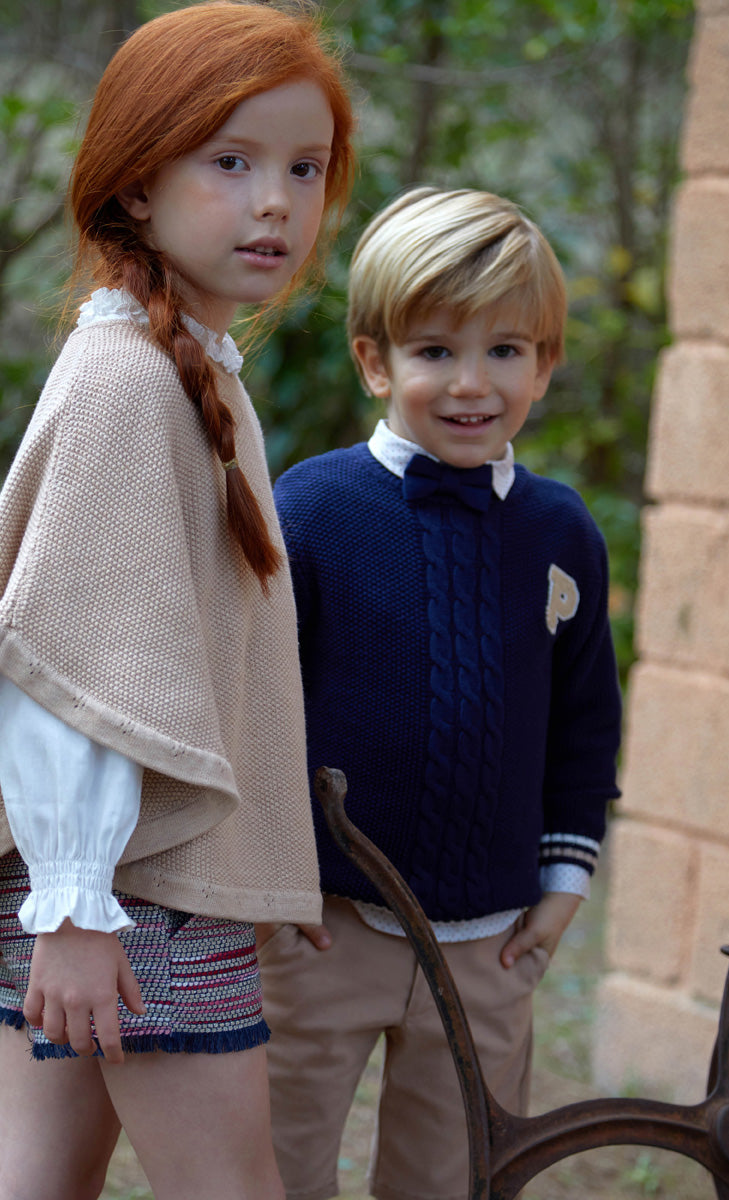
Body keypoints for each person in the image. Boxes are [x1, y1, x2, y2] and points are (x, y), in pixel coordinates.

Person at [0, 4, 355, 1198]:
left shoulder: (182, 373)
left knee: (39, 1178)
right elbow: (56, 669)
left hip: (108, 884)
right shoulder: (131, 383)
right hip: (127, 892)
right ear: (136, 184)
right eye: (229, 162)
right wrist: (76, 910)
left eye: (305, 168)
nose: (275, 203)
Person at [260, 186, 623, 1200]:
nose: (471, 383)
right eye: (434, 351)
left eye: (505, 350)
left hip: (491, 946)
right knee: (274, 1167)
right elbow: (258, 707)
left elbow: (585, 721)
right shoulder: (315, 510)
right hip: (324, 926)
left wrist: (564, 883)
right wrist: (274, 885)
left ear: (545, 364)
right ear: (375, 361)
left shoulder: (562, 532)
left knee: (455, 1176)